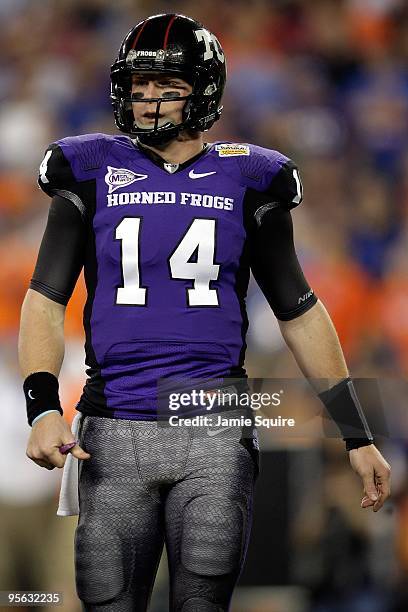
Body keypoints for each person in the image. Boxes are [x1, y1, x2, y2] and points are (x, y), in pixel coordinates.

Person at [19, 13, 391, 612]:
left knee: (203, 603)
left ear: (204, 90)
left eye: (164, 86)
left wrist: (355, 432)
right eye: (137, 87)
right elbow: (44, 300)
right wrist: (40, 408)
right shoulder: (87, 168)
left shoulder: (251, 175)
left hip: (215, 427)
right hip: (114, 425)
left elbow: (299, 311)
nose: (146, 100)